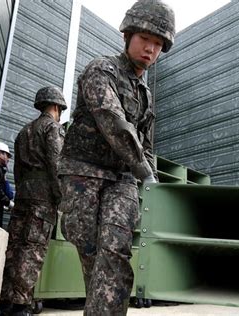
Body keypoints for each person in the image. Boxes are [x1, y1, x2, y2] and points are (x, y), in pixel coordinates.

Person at [57, 0, 175, 313]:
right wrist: (145, 171)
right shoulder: (101, 69)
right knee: (90, 248)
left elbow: (146, 145)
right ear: (127, 36)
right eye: (145, 39)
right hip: (83, 172)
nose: (151, 49)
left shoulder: (145, 95)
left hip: (121, 179)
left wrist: (153, 182)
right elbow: (113, 121)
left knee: (116, 251)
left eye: (158, 44)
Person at [0, 86, 67, 316]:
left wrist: (21, 192)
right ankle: (20, 305)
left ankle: (5, 300)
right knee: (32, 249)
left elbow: (17, 171)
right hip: (43, 198)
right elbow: (56, 165)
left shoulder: (23, 132)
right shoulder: (52, 128)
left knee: (14, 246)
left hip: (23, 196)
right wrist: (62, 198)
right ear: (57, 107)